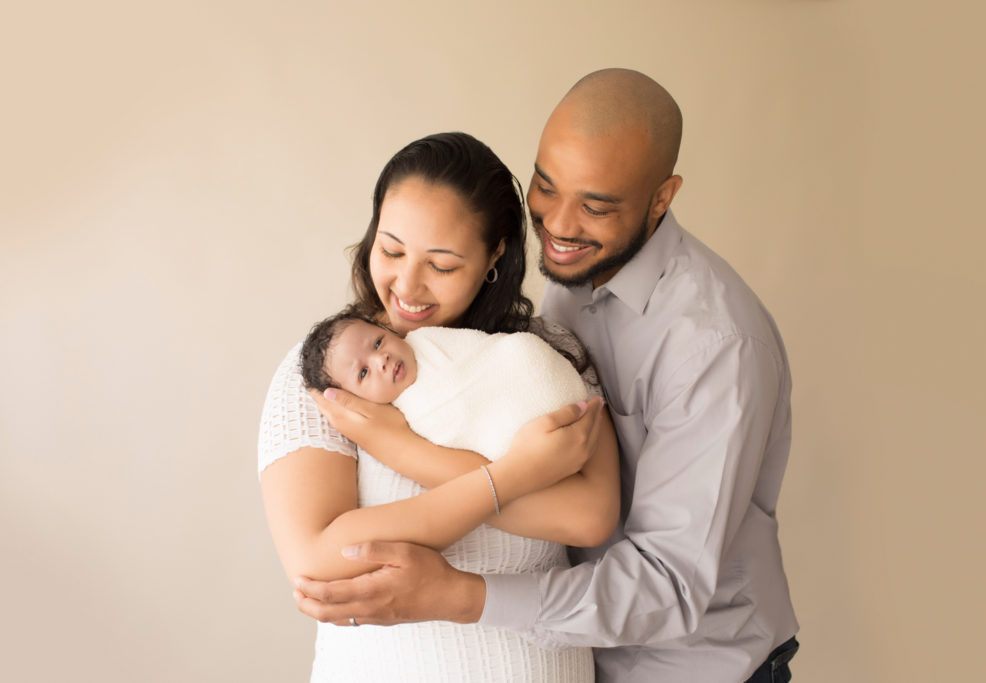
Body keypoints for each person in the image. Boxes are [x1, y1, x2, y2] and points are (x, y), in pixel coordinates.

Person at [298, 70, 800, 682]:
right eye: (545, 186)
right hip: (578, 658)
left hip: (693, 668)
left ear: (662, 198)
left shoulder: (716, 346)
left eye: (595, 206)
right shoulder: (563, 291)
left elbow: (665, 583)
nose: (559, 226)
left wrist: (459, 594)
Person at [258, 131, 619, 682]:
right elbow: (318, 560)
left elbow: (589, 516)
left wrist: (400, 449)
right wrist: (517, 474)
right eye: (391, 249)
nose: (406, 285)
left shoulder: (541, 357)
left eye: (442, 265)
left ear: (495, 254)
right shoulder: (332, 370)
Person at [299, 312, 597, 463]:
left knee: (521, 349)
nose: (382, 359)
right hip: (524, 438)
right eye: (364, 372)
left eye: (378, 342)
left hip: (535, 377)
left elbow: (492, 350)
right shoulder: (404, 418)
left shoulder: (426, 339)